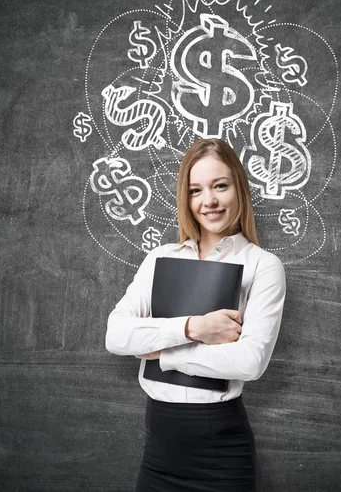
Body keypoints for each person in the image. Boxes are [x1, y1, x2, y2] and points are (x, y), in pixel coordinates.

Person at [105, 138, 286, 492]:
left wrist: (164, 352)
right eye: (196, 190)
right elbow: (116, 335)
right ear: (186, 199)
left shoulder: (263, 266)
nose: (210, 201)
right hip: (158, 450)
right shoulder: (161, 258)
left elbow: (250, 362)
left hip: (221, 453)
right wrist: (194, 328)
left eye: (220, 186)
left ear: (239, 189)